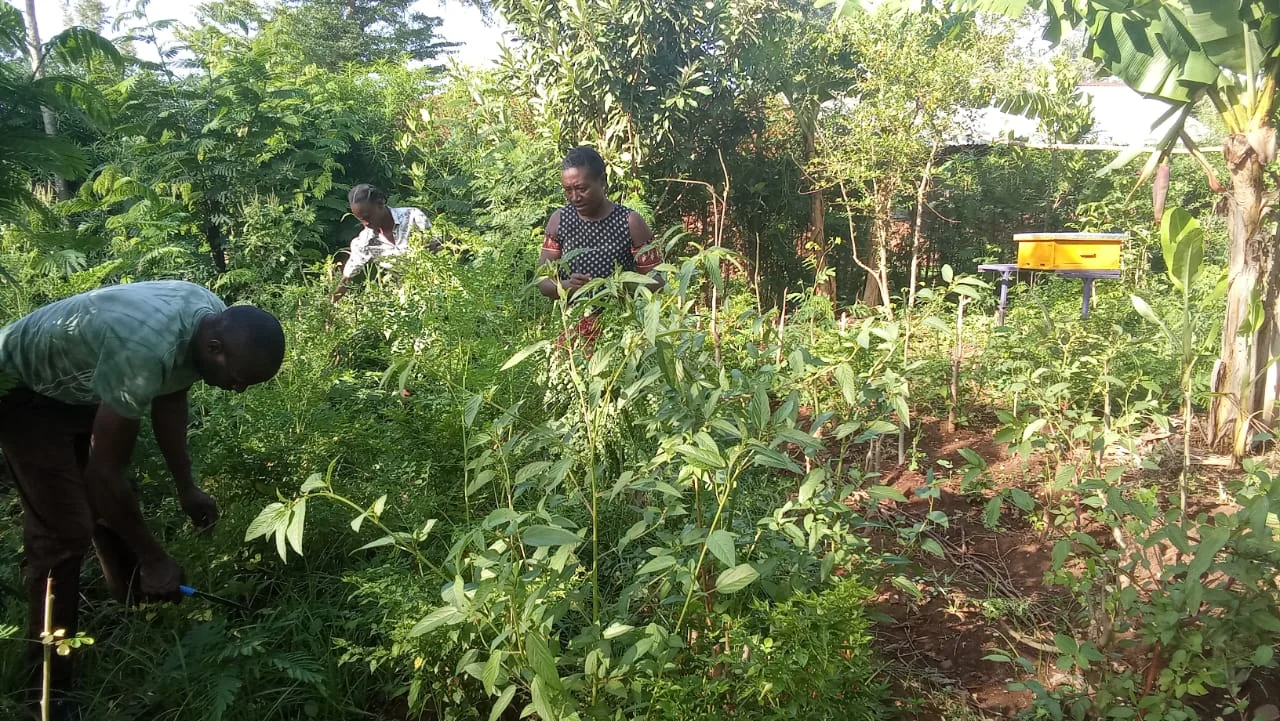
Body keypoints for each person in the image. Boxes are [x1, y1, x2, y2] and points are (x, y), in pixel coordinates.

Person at [0, 280, 286, 720]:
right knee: (63, 534)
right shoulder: (143, 351)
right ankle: (47, 689)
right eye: (240, 378)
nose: (239, 390)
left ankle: (134, 602)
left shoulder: (207, 314)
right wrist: (154, 556)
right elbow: (105, 474)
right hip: (22, 388)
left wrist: (186, 486)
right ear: (215, 348)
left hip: (79, 384)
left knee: (104, 501)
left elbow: (171, 398)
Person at [537, 146, 663, 342]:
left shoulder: (631, 223)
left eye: (581, 188)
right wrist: (566, 286)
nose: (574, 197)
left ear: (602, 181)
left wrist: (617, 284)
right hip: (571, 336)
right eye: (568, 190)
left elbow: (657, 282)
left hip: (619, 333)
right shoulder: (559, 221)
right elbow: (543, 282)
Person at [332, 184, 432, 301]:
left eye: (368, 217)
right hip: (408, 298)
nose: (366, 223)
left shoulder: (412, 217)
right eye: (361, 219)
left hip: (438, 288)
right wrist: (328, 308)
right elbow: (347, 278)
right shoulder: (365, 243)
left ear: (380, 204)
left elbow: (441, 247)